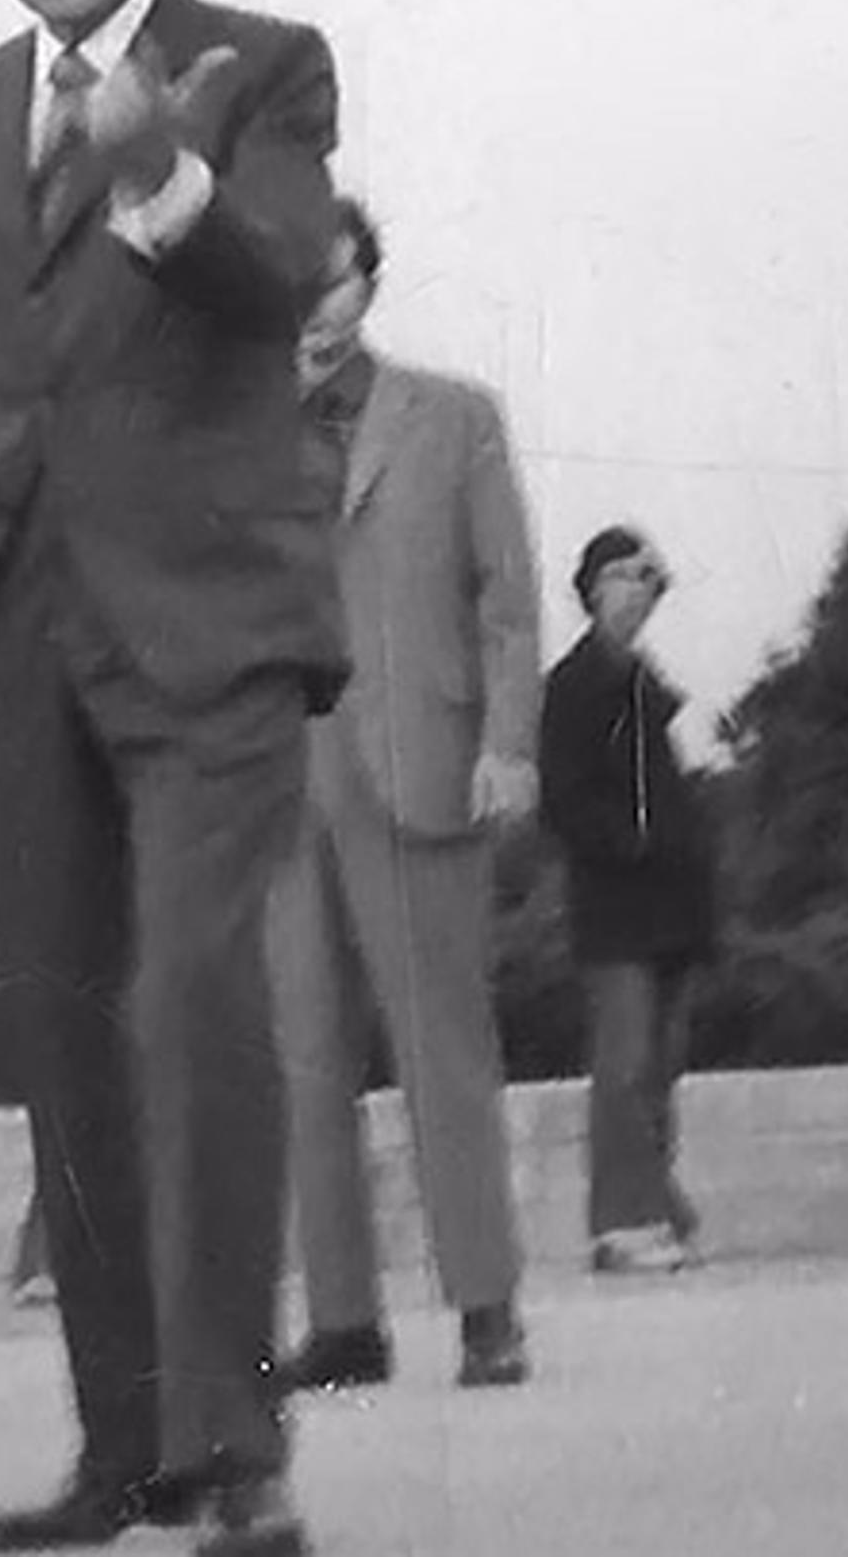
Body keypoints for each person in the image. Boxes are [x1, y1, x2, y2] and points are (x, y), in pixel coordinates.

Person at [0, 0, 343, 1557]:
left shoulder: (265, 60)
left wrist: (161, 176)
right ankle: (127, 1448)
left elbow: (278, 276)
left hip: (205, 624)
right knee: (67, 1040)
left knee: (199, 1006)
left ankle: (238, 1447)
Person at [263, 198, 538, 1391]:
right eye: (292, 284)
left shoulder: (452, 416)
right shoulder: (229, 429)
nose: (316, 307)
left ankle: (488, 1305)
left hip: (419, 753)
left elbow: (508, 600)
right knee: (302, 1051)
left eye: (332, 281)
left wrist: (510, 742)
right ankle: (342, 1317)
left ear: (368, 282)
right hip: (277, 768)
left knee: (443, 1044)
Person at [537, 527, 714, 1277]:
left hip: (668, 903)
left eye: (646, 578)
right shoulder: (574, 685)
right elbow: (566, 802)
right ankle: (619, 1219)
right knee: (625, 1057)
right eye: (623, 575)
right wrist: (629, 845)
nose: (639, 589)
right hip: (615, 906)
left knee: (661, 1063)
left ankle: (654, 1205)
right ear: (590, 588)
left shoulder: (644, 682)